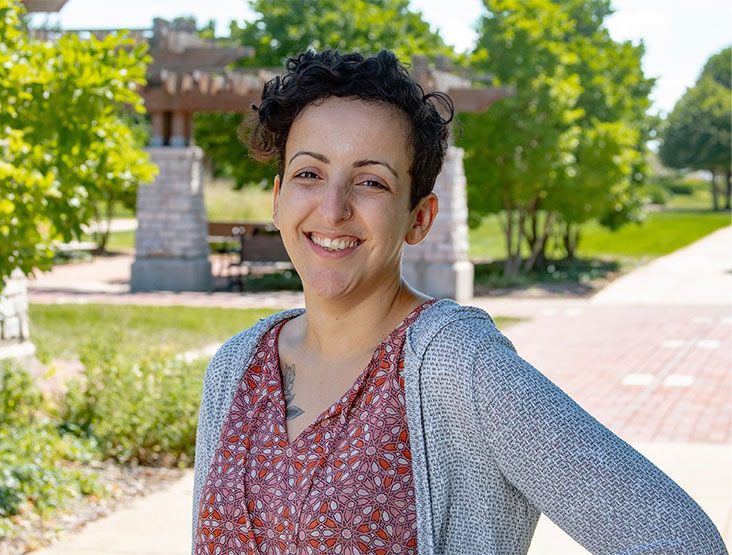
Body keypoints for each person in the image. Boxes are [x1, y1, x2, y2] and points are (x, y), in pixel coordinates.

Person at [192, 50, 726, 555]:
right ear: (279, 196)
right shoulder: (236, 367)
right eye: (310, 174)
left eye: (371, 181)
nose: (333, 209)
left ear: (419, 217)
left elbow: (679, 540)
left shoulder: (458, 367)